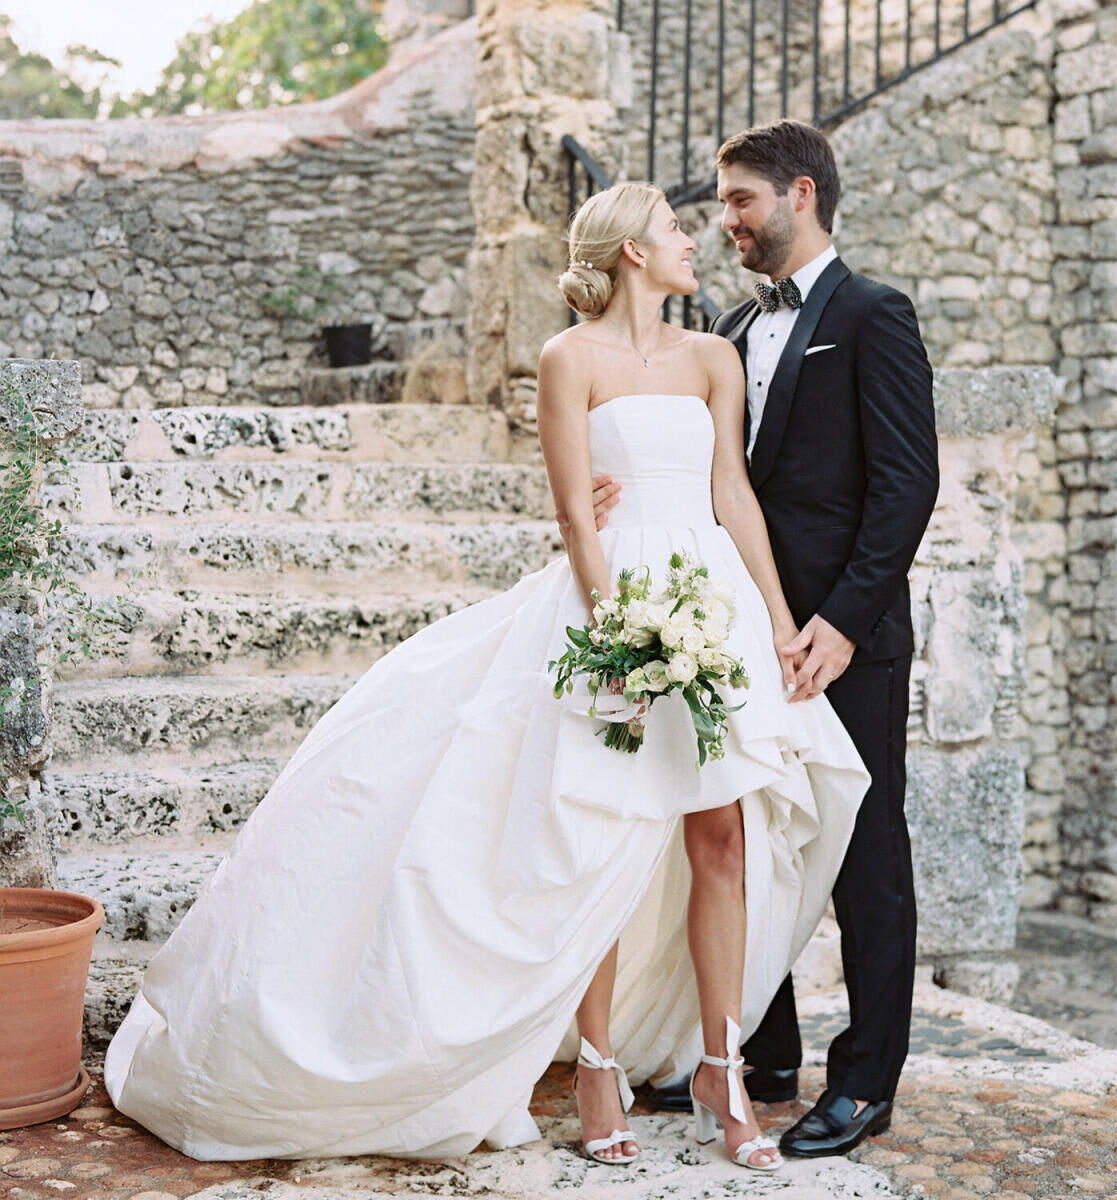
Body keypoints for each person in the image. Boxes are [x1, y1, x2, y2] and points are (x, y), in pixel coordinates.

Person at [104, 182, 869, 1170]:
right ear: (632, 249)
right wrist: (619, 636)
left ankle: (722, 1067)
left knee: (721, 835)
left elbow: (732, 492)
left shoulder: (711, 356)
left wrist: (773, 619)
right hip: (615, 599)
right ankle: (596, 1067)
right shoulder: (566, 358)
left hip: (711, 595)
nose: (696, 242)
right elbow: (572, 516)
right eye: (679, 228)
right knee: (601, 837)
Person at [593, 123, 940, 1158]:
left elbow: (906, 487)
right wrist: (610, 493)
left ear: (800, 193)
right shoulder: (736, 334)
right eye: (719, 205)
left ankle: (866, 1081)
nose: (726, 221)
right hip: (742, 630)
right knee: (749, 838)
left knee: (863, 856)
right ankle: (760, 1051)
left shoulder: (875, 315)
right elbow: (716, 482)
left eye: (741, 201)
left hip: (849, 638)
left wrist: (839, 625)